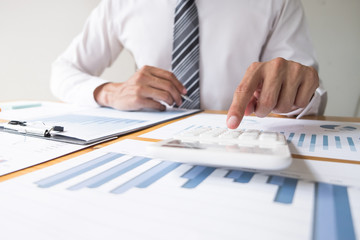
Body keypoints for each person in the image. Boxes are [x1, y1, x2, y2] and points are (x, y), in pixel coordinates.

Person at [51, 0, 327, 129]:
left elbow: (307, 96)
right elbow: (62, 71)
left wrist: (296, 92)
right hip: (149, 141)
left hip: (239, 139)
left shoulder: (277, 3)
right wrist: (110, 92)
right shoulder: (119, 4)